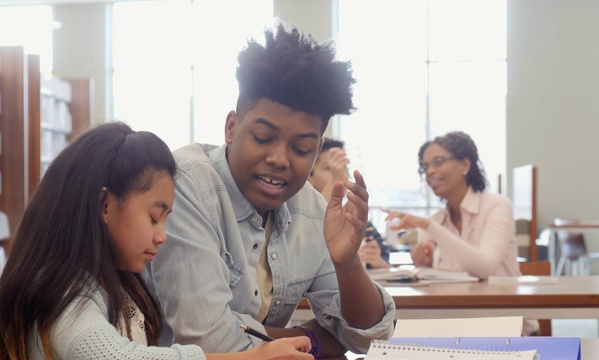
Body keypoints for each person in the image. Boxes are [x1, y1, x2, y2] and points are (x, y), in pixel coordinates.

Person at [147, 22, 395, 358]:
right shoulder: (187, 185)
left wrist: (348, 262)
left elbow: (369, 338)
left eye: (302, 148)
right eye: (263, 138)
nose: (279, 159)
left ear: (317, 148)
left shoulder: (311, 209)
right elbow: (209, 342)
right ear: (231, 128)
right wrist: (318, 338)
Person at [0, 122, 313, 359]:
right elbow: (111, 355)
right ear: (105, 205)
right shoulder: (64, 292)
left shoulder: (116, 284)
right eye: (153, 217)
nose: (162, 236)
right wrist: (249, 358)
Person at [383, 130, 539, 335]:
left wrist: (429, 227)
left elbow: (484, 267)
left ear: (465, 164)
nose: (429, 172)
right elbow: (438, 285)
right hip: (454, 325)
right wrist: (425, 266)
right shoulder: (436, 221)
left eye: (438, 162)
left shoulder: (497, 206)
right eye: (425, 167)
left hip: (506, 325)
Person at [308, 138, 391, 269]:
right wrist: (337, 179)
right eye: (328, 168)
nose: (340, 172)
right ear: (309, 178)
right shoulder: (299, 221)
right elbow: (311, 224)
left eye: (343, 167)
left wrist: (379, 263)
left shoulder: (360, 224)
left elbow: (387, 267)